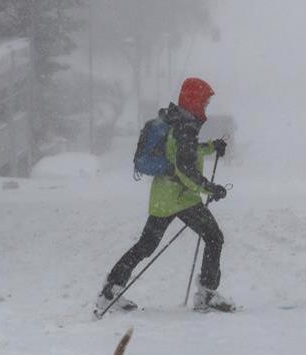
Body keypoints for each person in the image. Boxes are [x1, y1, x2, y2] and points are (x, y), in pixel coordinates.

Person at [97, 77, 234, 314]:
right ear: (195, 99)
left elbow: (181, 155)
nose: (206, 106)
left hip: (164, 196)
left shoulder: (177, 120)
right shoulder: (186, 126)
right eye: (205, 101)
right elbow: (184, 167)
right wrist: (210, 188)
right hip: (181, 197)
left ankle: (110, 290)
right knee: (214, 237)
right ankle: (207, 294)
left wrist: (211, 147)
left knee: (146, 245)